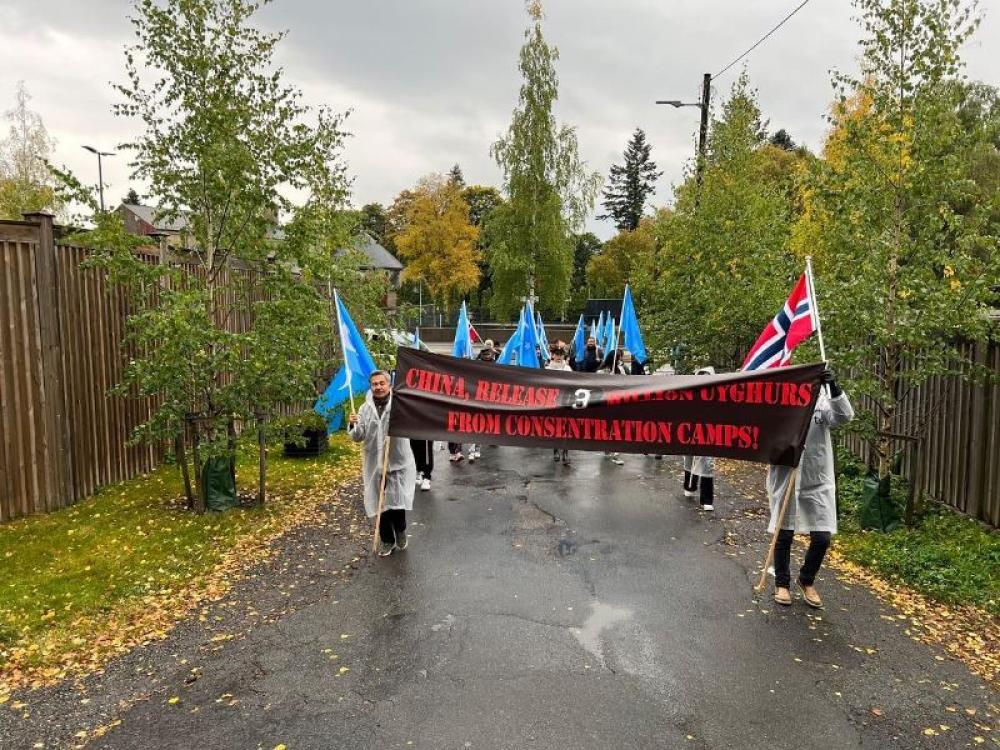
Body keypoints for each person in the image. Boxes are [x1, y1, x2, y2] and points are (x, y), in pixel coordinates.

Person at [769, 368, 854, 608]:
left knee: (822, 536)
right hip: (787, 475)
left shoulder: (822, 402)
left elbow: (844, 416)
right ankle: (782, 583)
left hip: (816, 479)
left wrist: (834, 388)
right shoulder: (779, 404)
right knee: (784, 532)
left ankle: (806, 579)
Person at [348, 370, 417, 557]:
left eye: (381, 383)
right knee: (381, 505)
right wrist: (353, 425)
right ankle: (387, 541)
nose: (378, 387)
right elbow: (358, 436)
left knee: (397, 502)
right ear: (371, 386)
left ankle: (401, 531)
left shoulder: (399, 405)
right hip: (374, 464)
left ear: (389, 385)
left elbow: (411, 426)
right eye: (374, 384)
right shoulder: (364, 409)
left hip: (396, 461)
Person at [685, 366, 717, 511]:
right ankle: (690, 486)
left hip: (709, 433)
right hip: (691, 431)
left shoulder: (717, 395)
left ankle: (706, 499)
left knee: (707, 463)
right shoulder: (691, 393)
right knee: (690, 459)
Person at [466, 342, 499, 461]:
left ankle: (477, 448)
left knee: (482, 425)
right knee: (474, 424)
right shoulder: (477, 365)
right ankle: (472, 450)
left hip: (489, 399)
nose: (488, 355)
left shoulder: (495, 366)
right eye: (486, 353)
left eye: (489, 353)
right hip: (476, 398)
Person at [545, 341, 572, 464]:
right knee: (554, 427)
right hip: (553, 402)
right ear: (552, 355)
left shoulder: (567, 368)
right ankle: (555, 450)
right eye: (556, 354)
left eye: (561, 354)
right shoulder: (547, 369)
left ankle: (566, 452)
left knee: (566, 428)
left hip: (565, 401)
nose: (559, 356)